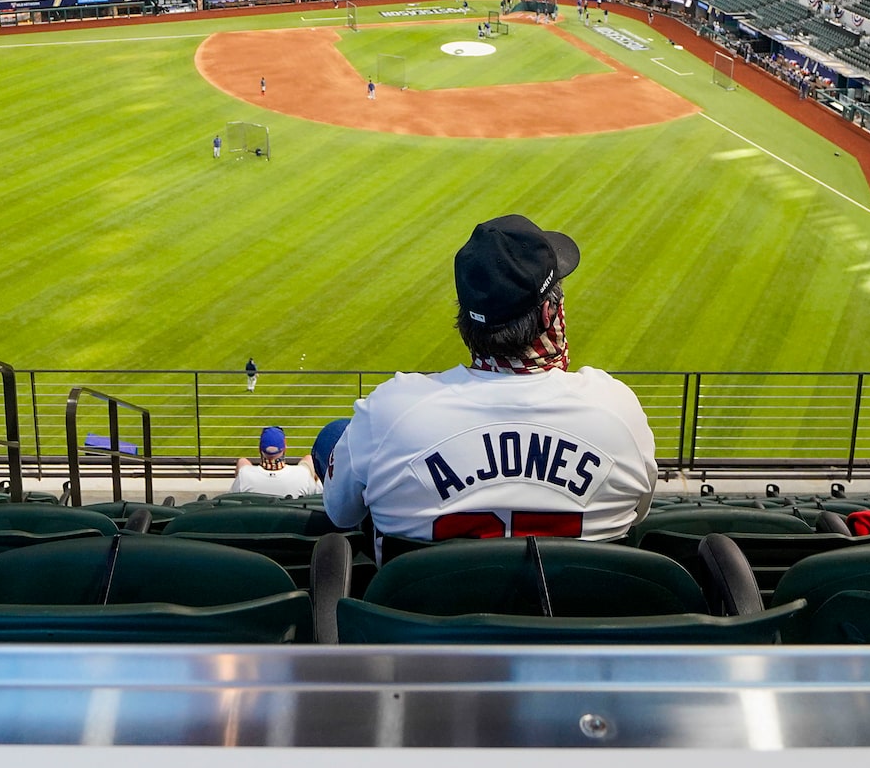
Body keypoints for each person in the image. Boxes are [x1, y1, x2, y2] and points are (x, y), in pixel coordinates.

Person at [322, 214, 655, 551]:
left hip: (415, 602)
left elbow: (341, 515)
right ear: (547, 314)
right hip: (577, 602)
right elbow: (637, 514)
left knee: (337, 435)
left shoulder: (389, 411)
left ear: (465, 316)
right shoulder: (617, 409)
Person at [230, 425, 320, 497]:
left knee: (242, 462)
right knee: (309, 459)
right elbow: (318, 494)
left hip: (257, 518)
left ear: (259, 449)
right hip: (294, 519)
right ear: (284, 448)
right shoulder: (303, 475)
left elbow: (231, 499)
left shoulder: (244, 476)